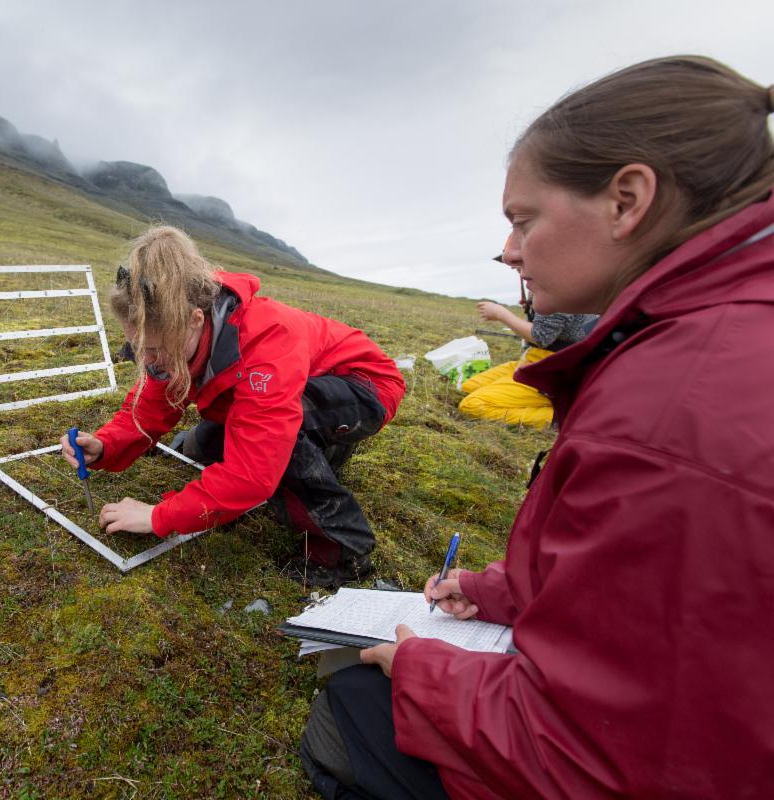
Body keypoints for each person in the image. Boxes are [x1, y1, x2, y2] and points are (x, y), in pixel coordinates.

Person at [301, 55, 774, 798]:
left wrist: (427, 673)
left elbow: (610, 756)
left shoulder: (670, 411)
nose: (513, 251)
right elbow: (647, 605)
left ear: (627, 200)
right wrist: (505, 590)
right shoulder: (711, 338)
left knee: (351, 711)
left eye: (524, 220)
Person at [60, 225, 406, 587]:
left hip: (364, 386)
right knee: (208, 444)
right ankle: (326, 452)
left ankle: (343, 551)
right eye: (138, 346)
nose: (149, 360)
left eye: (156, 349)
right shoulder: (177, 329)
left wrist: (158, 517)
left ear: (195, 320)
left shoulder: (266, 344)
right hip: (296, 384)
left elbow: (252, 474)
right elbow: (151, 404)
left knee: (277, 445)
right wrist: (106, 445)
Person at [457, 253, 597, 429]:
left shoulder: (557, 290)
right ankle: (546, 401)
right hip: (534, 361)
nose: (517, 271)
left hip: (551, 371)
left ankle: (560, 416)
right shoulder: (550, 286)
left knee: (473, 404)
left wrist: (501, 314)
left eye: (519, 265)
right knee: (469, 386)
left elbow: (541, 337)